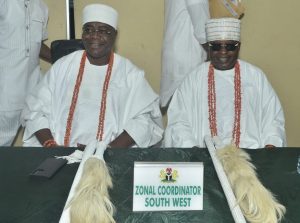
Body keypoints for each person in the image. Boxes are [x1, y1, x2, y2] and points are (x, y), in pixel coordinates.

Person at [21, 4, 163, 148]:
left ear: (114, 36)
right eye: (88, 30)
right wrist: (50, 145)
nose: (94, 36)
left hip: (110, 159)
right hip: (59, 154)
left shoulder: (129, 74)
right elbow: (34, 110)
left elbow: (145, 121)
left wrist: (107, 151)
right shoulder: (63, 66)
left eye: (103, 31)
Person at [164, 17, 286, 149]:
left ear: (238, 47)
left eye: (229, 46)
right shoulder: (194, 79)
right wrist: (192, 149)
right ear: (209, 48)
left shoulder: (255, 76)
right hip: (205, 154)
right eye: (217, 46)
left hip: (250, 155)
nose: (223, 52)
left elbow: (272, 118)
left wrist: (271, 145)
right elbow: (179, 121)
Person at [0, 0, 51, 146]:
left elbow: (37, 44)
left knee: (37, 145)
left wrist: (65, 58)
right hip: (5, 93)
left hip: (32, 91)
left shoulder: (42, 8)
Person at [160, 0, 210, 108]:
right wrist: (215, 54)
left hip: (178, 54)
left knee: (179, 113)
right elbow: (203, 31)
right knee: (191, 114)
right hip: (189, 59)